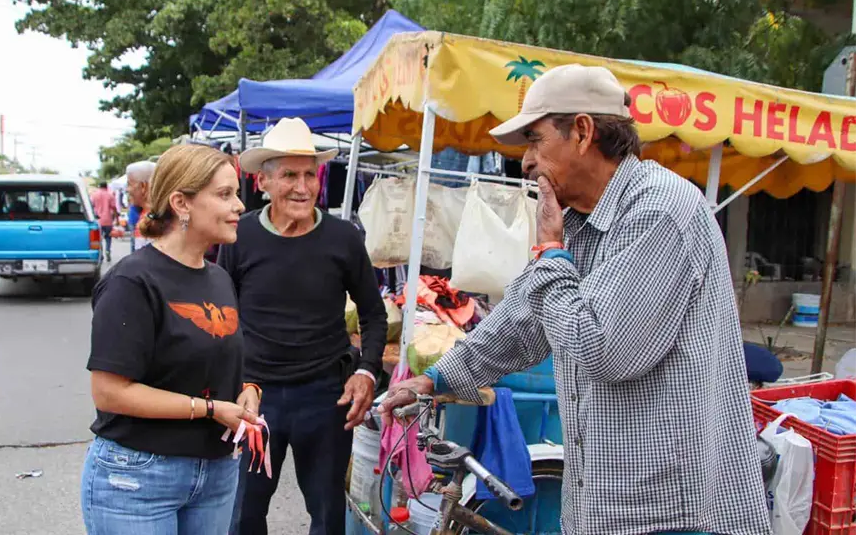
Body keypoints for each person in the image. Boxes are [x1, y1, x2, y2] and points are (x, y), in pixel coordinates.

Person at [379, 64, 771, 535]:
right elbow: (524, 317)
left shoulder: (661, 211)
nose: (525, 161)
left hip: (669, 509)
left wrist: (549, 251)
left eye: (535, 141)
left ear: (583, 132)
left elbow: (605, 351)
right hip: (605, 501)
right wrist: (436, 380)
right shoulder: (582, 223)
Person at [220, 117, 388, 535]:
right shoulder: (239, 237)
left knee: (329, 513)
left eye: (310, 174)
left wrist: (367, 372)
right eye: (290, 175)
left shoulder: (343, 238)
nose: (302, 186)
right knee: (242, 513)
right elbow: (222, 318)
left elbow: (373, 313)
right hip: (256, 398)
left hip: (325, 397)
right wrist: (228, 388)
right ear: (264, 182)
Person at [80, 145, 259, 535]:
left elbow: (215, 359)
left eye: (236, 194)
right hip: (139, 477)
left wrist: (247, 390)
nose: (240, 206)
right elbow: (109, 392)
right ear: (181, 203)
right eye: (225, 194)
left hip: (216, 471)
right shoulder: (132, 281)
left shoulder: (218, 277)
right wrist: (211, 409)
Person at [126, 160, 157, 252]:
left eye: (129, 184)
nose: (127, 190)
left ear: (143, 186)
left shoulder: (154, 222)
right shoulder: (146, 215)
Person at [91, 182, 119, 262]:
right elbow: (114, 208)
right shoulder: (110, 195)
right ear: (106, 187)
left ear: (99, 186)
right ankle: (107, 250)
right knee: (108, 237)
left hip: (97, 220)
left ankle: (101, 254)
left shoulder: (94, 195)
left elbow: (91, 206)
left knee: (99, 238)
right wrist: (117, 219)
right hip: (108, 220)